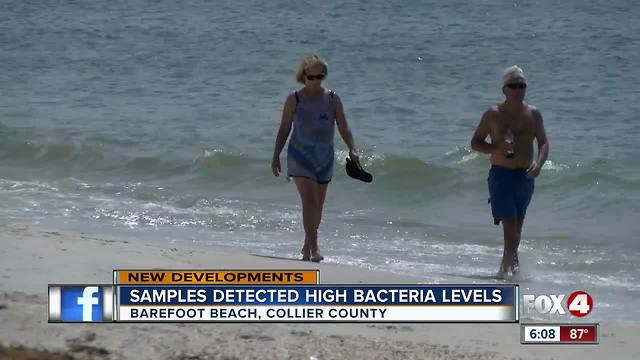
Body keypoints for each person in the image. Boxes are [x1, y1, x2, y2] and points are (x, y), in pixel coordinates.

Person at [271, 54, 359, 262]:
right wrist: (276, 155)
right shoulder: (294, 99)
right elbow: (284, 129)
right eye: (311, 77)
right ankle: (314, 247)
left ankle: (306, 245)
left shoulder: (332, 99)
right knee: (309, 202)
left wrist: (352, 149)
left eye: (320, 76)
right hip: (299, 156)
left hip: (324, 157)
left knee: (318, 206)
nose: (316, 81)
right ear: (303, 76)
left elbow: (344, 128)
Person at [470, 65, 549, 278]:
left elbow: (543, 142)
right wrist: (496, 148)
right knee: (510, 227)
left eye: (522, 85)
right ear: (504, 89)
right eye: (513, 86)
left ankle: (512, 267)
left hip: (525, 176)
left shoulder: (533, 113)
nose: (518, 90)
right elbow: (475, 143)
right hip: (501, 175)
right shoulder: (493, 114)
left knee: (518, 228)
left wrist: (539, 164)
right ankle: (504, 270)